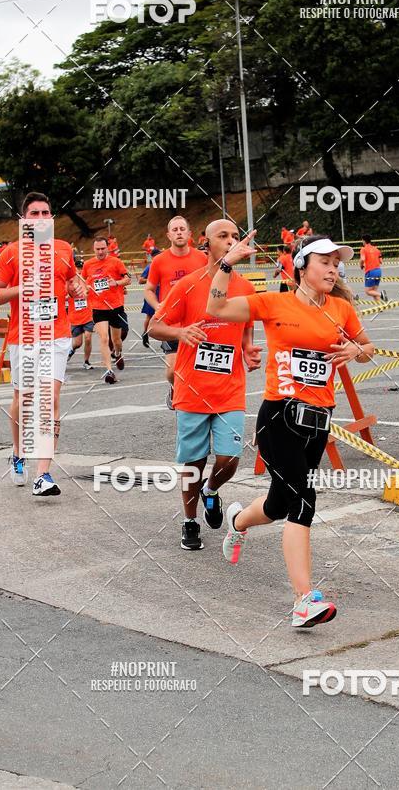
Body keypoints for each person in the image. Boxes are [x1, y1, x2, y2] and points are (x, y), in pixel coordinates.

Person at [206, 233, 374, 628]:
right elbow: (215, 307)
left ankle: (238, 522)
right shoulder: (274, 302)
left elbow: (367, 347)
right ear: (301, 266)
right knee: (303, 498)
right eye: (324, 262)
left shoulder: (340, 309)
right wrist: (227, 263)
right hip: (278, 416)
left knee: (280, 503)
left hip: (318, 420)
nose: (333, 269)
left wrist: (356, 350)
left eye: (337, 263)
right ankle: (304, 600)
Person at [148, 219, 261, 552]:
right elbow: (155, 327)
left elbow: (246, 330)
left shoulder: (246, 288)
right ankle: (190, 520)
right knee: (193, 462)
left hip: (230, 388)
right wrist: (180, 333)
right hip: (192, 387)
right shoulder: (187, 285)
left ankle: (211, 490)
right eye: (222, 236)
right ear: (206, 243)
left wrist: (248, 350)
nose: (230, 241)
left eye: (235, 236)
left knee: (230, 458)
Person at [0, 192, 85, 496]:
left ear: (51, 219)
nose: (41, 218)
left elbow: (72, 281)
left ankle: (43, 475)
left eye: (46, 213)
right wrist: (21, 288)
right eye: (35, 214)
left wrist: (76, 286)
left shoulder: (64, 249)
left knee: (50, 399)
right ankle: (17, 452)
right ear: (24, 220)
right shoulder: (12, 254)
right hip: (24, 336)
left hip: (57, 334)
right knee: (24, 400)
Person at [143, 216, 207, 408]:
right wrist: (158, 306)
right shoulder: (159, 261)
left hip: (197, 321)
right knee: (173, 371)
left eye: (182, 229)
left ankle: (195, 401)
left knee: (201, 367)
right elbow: (148, 289)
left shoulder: (202, 258)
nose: (179, 232)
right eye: (175, 230)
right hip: (170, 324)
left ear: (189, 234)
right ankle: (174, 387)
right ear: (168, 235)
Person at [81, 236, 130, 384]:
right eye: (97, 249)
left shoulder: (116, 262)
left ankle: (118, 352)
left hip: (115, 306)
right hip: (98, 307)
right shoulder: (88, 264)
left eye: (103, 248)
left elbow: (128, 279)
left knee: (117, 340)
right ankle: (109, 370)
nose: (100, 251)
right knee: (103, 338)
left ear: (107, 248)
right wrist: (85, 290)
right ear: (93, 249)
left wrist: (116, 283)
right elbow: (83, 282)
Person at [68, 259, 94, 369]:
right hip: (75, 316)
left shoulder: (87, 280)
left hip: (87, 314)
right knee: (78, 343)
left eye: (81, 268)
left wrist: (88, 291)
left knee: (88, 337)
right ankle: (71, 350)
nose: (79, 270)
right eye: (77, 268)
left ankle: (86, 361)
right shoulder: (69, 281)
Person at [360, 235, 386, 302]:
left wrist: (361, 265)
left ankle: (381, 294)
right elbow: (381, 261)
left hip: (370, 271)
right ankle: (380, 306)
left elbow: (362, 259)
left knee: (368, 291)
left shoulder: (363, 249)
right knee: (374, 291)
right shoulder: (376, 249)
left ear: (364, 241)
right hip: (378, 271)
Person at [138, 262, 156, 347]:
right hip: (152, 295)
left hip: (164, 294)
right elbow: (141, 280)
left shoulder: (167, 265)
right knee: (149, 316)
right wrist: (152, 280)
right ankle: (145, 333)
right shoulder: (150, 267)